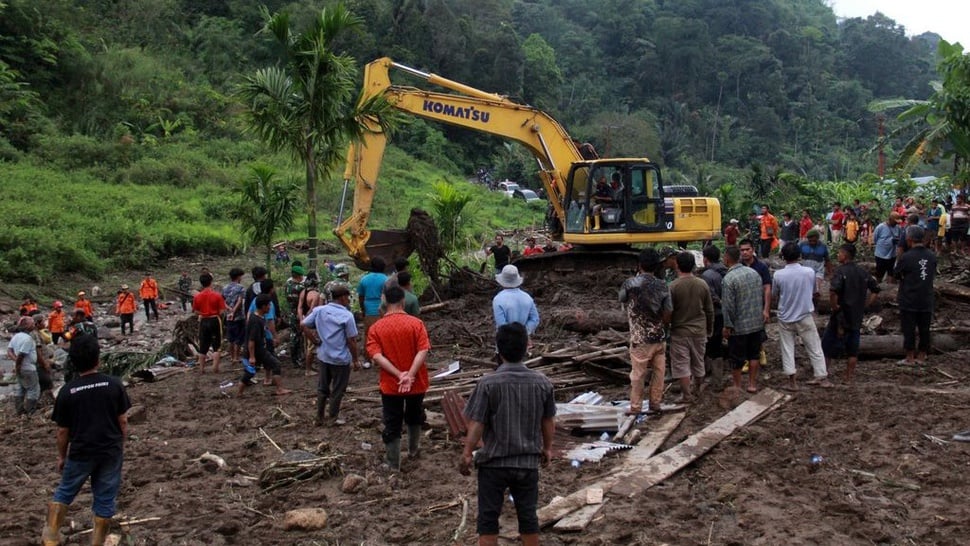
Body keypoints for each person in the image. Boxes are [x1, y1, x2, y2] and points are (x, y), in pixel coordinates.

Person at [459, 322, 555, 546]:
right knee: (528, 516)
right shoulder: (542, 383)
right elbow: (548, 421)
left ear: (498, 351)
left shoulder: (488, 383)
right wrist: (547, 448)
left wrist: (466, 452)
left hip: (494, 463)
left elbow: (477, 424)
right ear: (526, 349)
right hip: (527, 463)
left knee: (488, 518)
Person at [42, 333, 130, 546]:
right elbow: (123, 420)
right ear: (98, 358)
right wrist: (121, 443)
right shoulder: (114, 384)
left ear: (72, 362)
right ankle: (97, 541)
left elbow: (62, 432)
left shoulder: (67, 391)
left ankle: (51, 535)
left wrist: (62, 457)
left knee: (66, 490)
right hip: (109, 450)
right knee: (105, 496)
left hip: (81, 451)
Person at [366, 286, 431, 471]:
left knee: (392, 420)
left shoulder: (376, 328)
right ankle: (413, 450)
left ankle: (393, 464)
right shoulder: (416, 324)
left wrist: (399, 374)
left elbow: (377, 356)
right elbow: (423, 350)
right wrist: (410, 375)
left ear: (384, 301)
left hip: (391, 384)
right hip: (416, 381)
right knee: (414, 415)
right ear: (403, 301)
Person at [618, 248, 671, 414]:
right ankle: (656, 403)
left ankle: (636, 407)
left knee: (638, 375)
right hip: (659, 336)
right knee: (659, 373)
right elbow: (669, 310)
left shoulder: (630, 283)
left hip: (640, 338)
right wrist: (663, 325)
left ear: (640, 264)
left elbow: (622, 298)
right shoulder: (663, 285)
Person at [773, 242, 832, 390]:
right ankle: (821, 376)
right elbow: (814, 292)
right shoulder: (809, 272)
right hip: (804, 315)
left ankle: (792, 381)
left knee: (787, 348)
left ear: (783, 257)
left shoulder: (778, 274)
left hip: (785, 316)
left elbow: (775, 294)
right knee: (814, 346)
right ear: (799, 255)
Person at [303, 285, 360, 426]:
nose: (348, 300)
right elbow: (351, 341)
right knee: (338, 389)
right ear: (342, 298)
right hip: (340, 359)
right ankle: (332, 418)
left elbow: (303, 325)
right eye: (347, 297)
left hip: (323, 355)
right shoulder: (347, 316)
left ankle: (319, 417)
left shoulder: (319, 311)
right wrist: (356, 359)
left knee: (323, 387)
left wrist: (315, 341)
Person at [822, 244, 880, 383]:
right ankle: (848, 378)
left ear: (845, 255)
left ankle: (823, 373)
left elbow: (833, 291)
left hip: (841, 314)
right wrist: (866, 304)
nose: (838, 256)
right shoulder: (863, 272)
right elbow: (875, 290)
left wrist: (834, 306)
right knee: (853, 348)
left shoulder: (840, 271)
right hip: (856, 315)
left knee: (827, 346)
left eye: (840, 253)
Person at [668, 252, 714, 402]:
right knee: (698, 362)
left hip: (680, 331)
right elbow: (709, 310)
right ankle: (697, 389)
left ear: (678, 266)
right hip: (699, 330)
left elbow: (669, 310)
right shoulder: (702, 284)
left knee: (682, 365)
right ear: (693, 265)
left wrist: (667, 326)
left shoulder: (673, 286)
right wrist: (709, 329)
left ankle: (686, 395)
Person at [721, 246, 766, 393]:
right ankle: (752, 384)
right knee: (754, 354)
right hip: (756, 323)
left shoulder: (729, 279)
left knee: (736, 358)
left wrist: (727, 326)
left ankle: (737, 386)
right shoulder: (754, 273)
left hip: (739, 326)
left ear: (727, 258)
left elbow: (728, 306)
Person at [894, 226, 937, 367]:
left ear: (909, 239)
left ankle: (910, 357)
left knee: (909, 328)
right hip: (926, 297)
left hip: (909, 298)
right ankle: (922, 356)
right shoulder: (931, 255)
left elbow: (896, 274)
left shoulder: (906, 257)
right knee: (925, 328)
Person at [239, 294, 292, 396]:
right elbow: (251, 340)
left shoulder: (258, 317)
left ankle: (240, 392)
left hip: (259, 349)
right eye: (268, 305)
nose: (270, 307)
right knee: (253, 371)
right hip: (257, 350)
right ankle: (240, 392)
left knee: (269, 366)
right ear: (263, 306)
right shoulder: (255, 321)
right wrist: (252, 356)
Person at [700, 245, 729, 386]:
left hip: (714, 315)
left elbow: (711, 297)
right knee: (719, 343)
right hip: (726, 313)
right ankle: (718, 375)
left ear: (705, 259)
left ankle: (714, 378)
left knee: (711, 344)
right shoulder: (726, 271)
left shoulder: (707, 275)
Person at [358, 257, 388, 369]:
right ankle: (383, 358)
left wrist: (363, 310)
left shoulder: (364, 279)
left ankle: (367, 359)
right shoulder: (386, 279)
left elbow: (360, 297)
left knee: (368, 335)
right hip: (382, 310)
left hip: (368, 309)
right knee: (383, 335)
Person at [492, 265, 540, 337]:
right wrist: (524, 332)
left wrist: (512, 335)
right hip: (522, 340)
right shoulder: (527, 298)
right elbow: (535, 319)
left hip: (505, 340)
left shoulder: (498, 299)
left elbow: (501, 324)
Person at [10, 316, 44, 416]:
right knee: (33, 389)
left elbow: (9, 351)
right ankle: (30, 411)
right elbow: (22, 354)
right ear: (25, 325)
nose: (34, 324)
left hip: (20, 367)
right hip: (28, 368)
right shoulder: (28, 339)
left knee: (20, 388)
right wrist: (18, 364)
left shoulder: (16, 336)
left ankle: (19, 411)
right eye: (31, 323)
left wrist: (15, 362)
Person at [193, 273, 226, 373]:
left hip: (203, 320)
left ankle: (202, 368)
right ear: (211, 282)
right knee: (217, 345)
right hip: (214, 319)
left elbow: (195, 311)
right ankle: (215, 367)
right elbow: (221, 311)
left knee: (203, 345)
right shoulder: (217, 295)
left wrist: (203, 312)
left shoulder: (197, 297)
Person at [738, 239, 772, 324]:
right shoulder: (738, 267)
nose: (745, 252)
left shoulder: (762, 267)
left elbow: (767, 288)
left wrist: (766, 310)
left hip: (758, 305)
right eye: (742, 250)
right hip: (742, 305)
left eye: (747, 249)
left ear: (753, 250)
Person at [221, 268, 246, 365]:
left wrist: (229, 309)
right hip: (239, 316)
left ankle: (232, 357)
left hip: (228, 316)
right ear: (238, 276)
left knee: (231, 338)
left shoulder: (225, 288)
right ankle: (236, 357)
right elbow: (240, 301)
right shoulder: (241, 288)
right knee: (239, 338)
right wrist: (234, 310)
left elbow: (222, 301)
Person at [285, 263, 307, 369]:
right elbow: (302, 304)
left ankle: (295, 358)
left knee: (293, 335)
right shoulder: (301, 287)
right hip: (298, 314)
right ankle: (298, 358)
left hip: (291, 313)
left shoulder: (288, 285)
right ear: (298, 276)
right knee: (298, 336)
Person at [872, 212, 903, 283]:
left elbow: (900, 238)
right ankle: (878, 287)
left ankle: (889, 288)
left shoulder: (898, 228)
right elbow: (875, 239)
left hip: (892, 254)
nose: (896, 223)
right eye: (895, 222)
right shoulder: (880, 227)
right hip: (881, 254)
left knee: (891, 272)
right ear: (890, 219)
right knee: (879, 273)